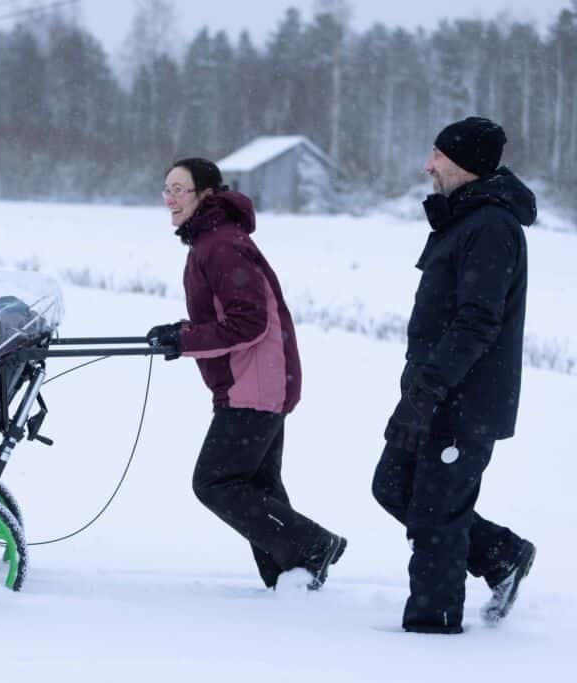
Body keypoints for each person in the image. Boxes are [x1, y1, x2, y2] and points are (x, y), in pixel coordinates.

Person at [147, 157, 346, 590]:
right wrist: (181, 333)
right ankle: (292, 578)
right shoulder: (213, 242)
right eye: (166, 189)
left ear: (207, 193)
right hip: (259, 382)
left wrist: (185, 341)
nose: (169, 199)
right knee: (259, 485)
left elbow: (248, 322)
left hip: (256, 385)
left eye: (179, 189)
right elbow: (231, 318)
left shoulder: (220, 245)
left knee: (215, 482)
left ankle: (312, 545)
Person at [371, 116, 537, 634]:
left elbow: (475, 322)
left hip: (463, 399)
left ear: (464, 165)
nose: (428, 165)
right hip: (434, 392)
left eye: (438, 157)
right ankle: (501, 554)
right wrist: (420, 391)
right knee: (394, 486)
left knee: (437, 517)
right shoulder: (463, 221)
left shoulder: (491, 227)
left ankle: (433, 632)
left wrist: (430, 390)